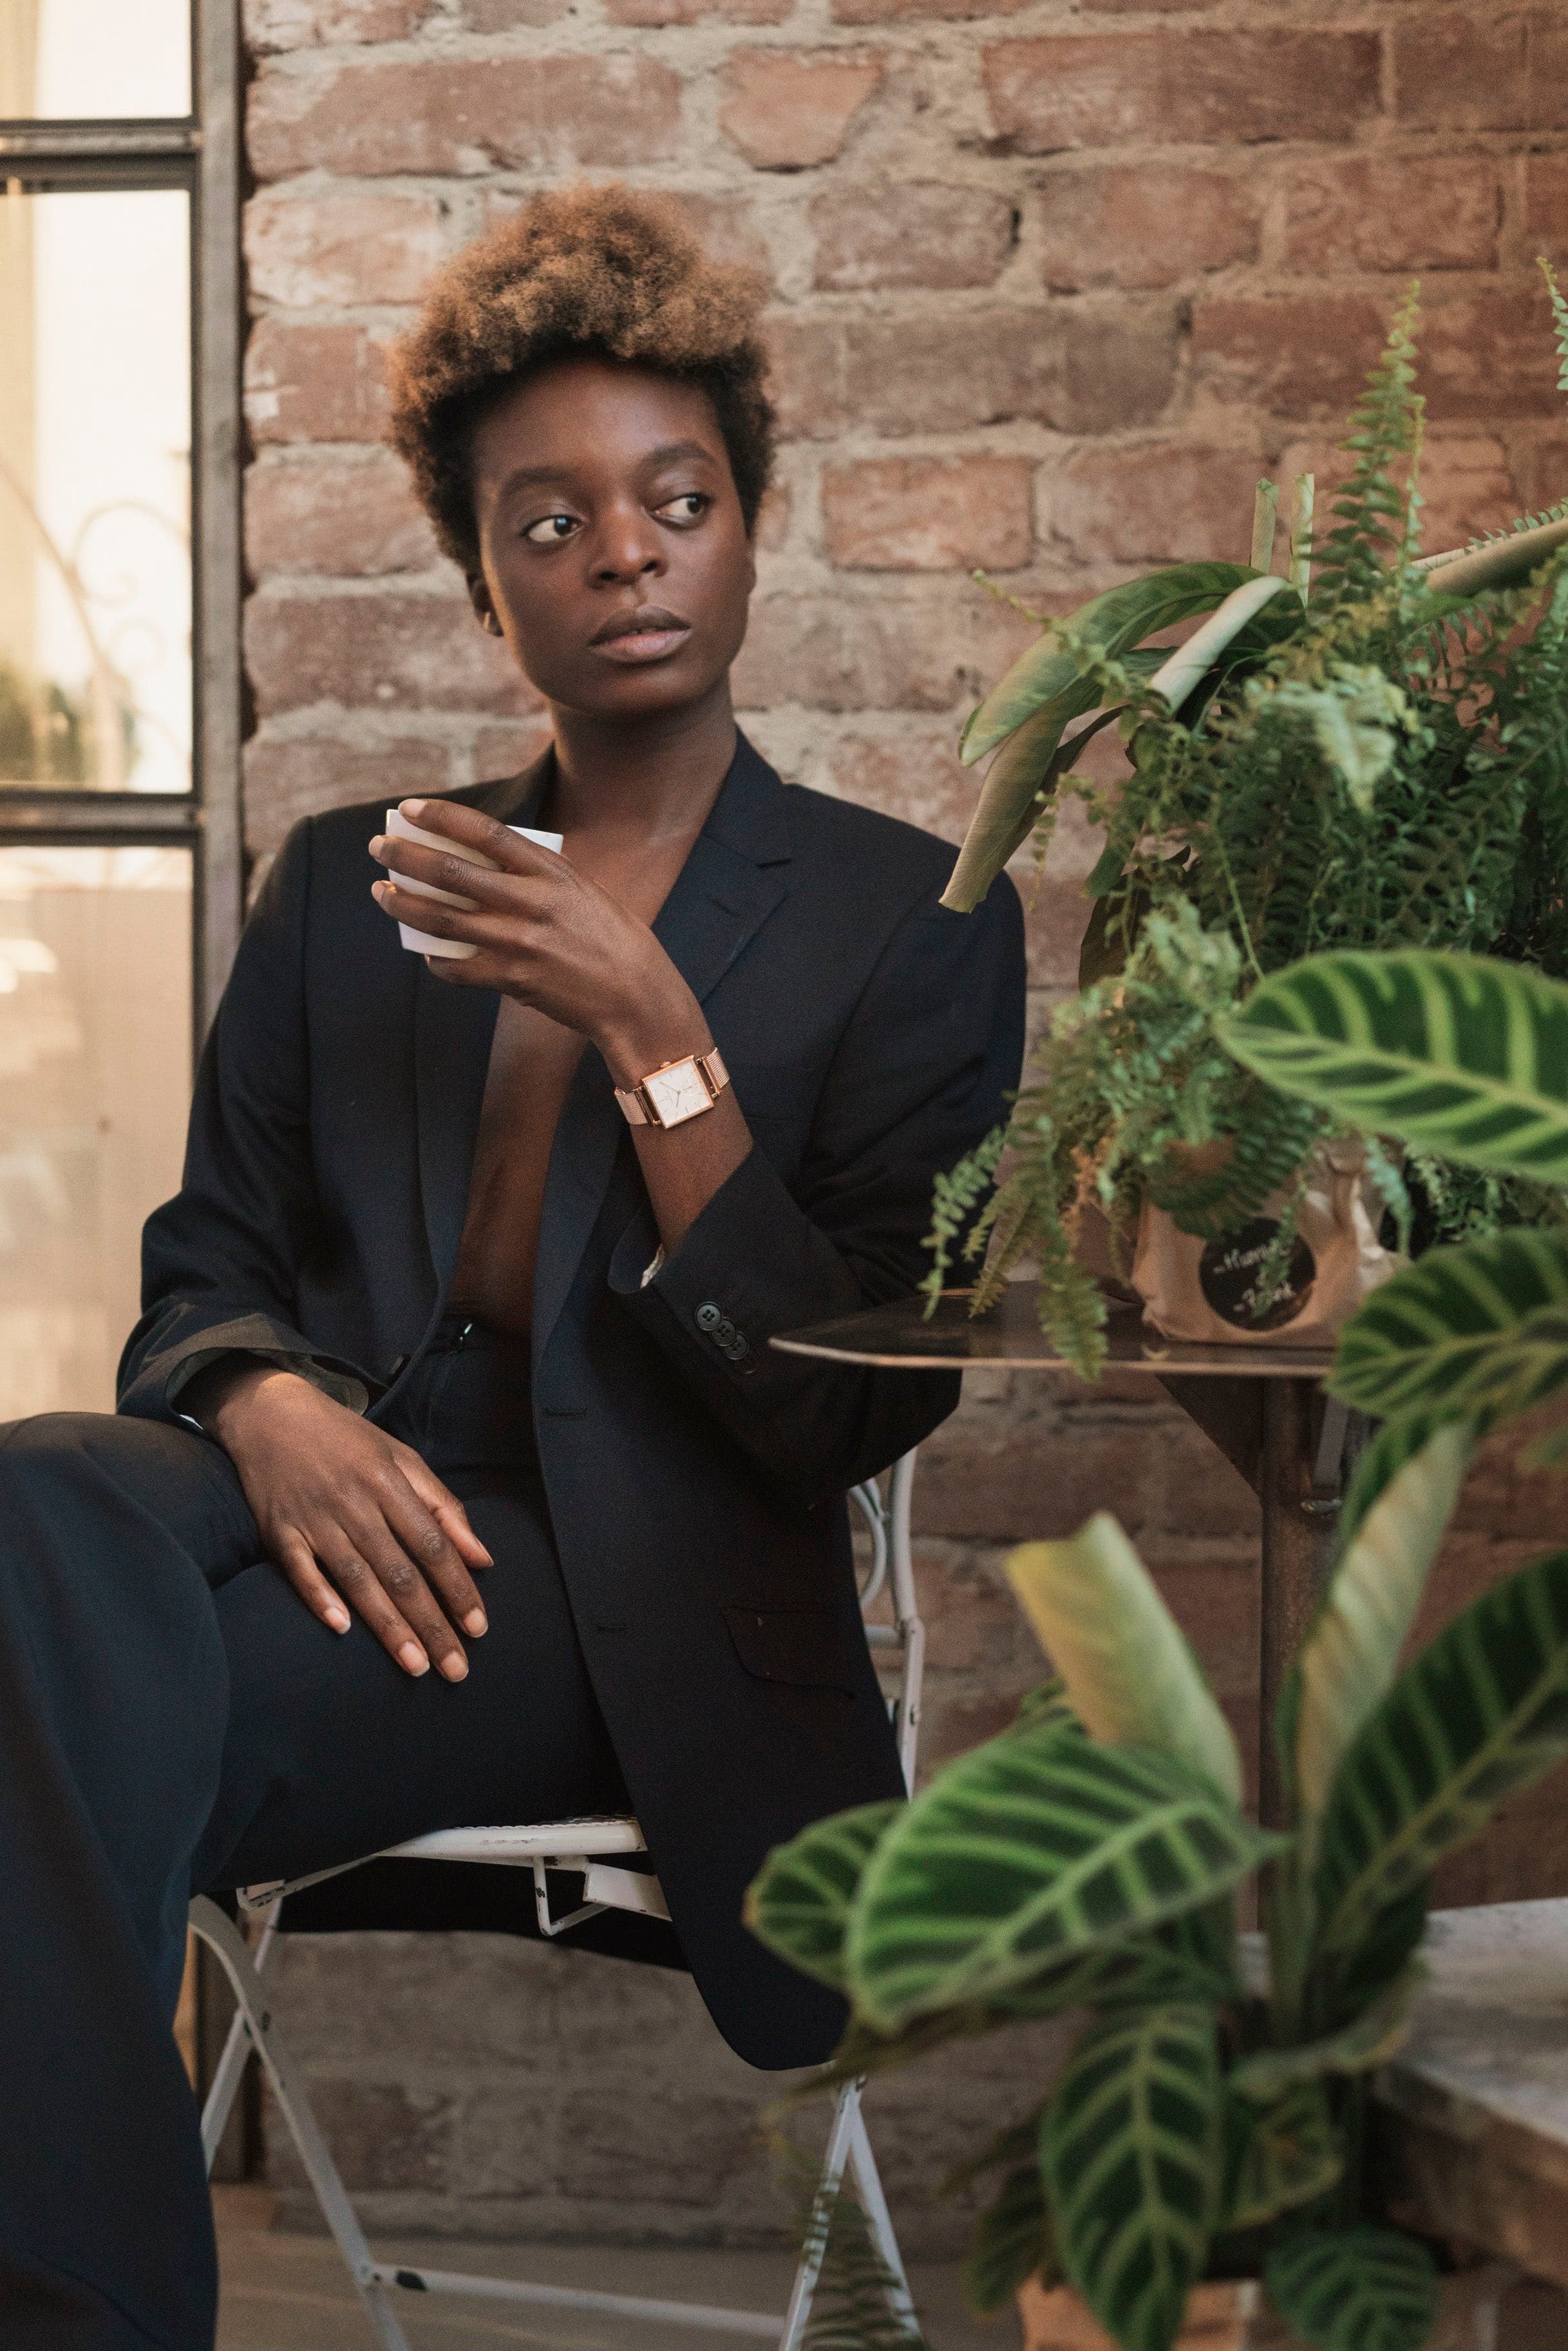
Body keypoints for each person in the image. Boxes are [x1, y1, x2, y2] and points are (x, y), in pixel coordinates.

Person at [0, 184, 1025, 2348]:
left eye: (672, 498)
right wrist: (264, 1402)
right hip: (333, 1478)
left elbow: (848, 1403)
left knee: (62, 1711)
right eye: (548, 520)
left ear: (746, 522)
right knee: (24, 1506)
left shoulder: (910, 918)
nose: (621, 550)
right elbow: (206, 1264)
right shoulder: (343, 890)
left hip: (615, 1565)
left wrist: (654, 1034)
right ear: (486, 578)